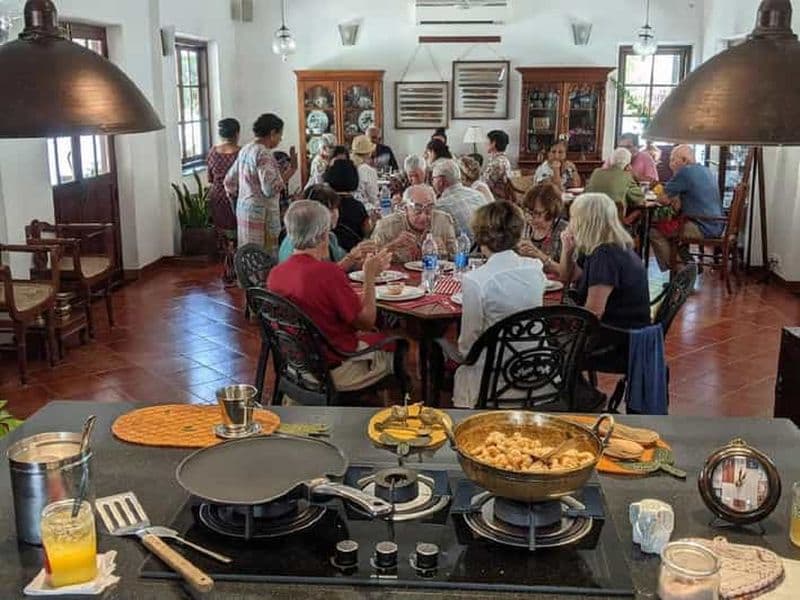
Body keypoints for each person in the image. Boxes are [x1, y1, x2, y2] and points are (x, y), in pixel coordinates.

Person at [267, 201, 395, 392]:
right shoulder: (327, 274)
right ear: (324, 234)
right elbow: (367, 321)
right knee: (394, 342)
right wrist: (369, 276)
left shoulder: (276, 273)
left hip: (295, 363)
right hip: (333, 369)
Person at [453, 201, 546, 407]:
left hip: (495, 381)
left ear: (480, 235)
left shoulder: (477, 280)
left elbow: (468, 345)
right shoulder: (535, 268)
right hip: (536, 372)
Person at [553, 193, 650, 329]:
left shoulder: (605, 255)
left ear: (586, 223)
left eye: (573, 218)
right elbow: (567, 276)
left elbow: (594, 313)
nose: (570, 223)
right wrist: (567, 250)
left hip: (620, 336)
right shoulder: (600, 245)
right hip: (622, 329)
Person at [224, 113, 297, 259]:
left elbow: (229, 181)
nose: (280, 139)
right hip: (262, 216)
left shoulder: (246, 149)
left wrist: (238, 203)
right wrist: (292, 170)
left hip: (244, 211)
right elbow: (270, 189)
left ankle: (248, 281)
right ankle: (264, 282)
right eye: (279, 135)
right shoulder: (263, 153)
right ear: (272, 133)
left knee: (248, 255)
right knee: (264, 257)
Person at [649, 145, 724, 272]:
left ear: (684, 160)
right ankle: (690, 267)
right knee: (674, 234)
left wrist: (674, 175)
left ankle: (680, 271)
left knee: (654, 230)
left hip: (701, 226)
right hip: (716, 224)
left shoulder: (685, 172)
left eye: (673, 160)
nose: (670, 164)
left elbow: (662, 198)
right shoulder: (706, 170)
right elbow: (679, 203)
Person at [278, 184, 376, 271]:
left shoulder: (331, 237)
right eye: (330, 209)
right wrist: (351, 257)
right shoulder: (299, 243)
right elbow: (319, 277)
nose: (335, 214)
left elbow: (344, 264)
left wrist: (368, 262)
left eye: (335, 208)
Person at [371, 184, 457, 264]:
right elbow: (369, 261)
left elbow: (457, 259)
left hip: (435, 276)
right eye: (417, 210)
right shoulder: (386, 226)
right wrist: (392, 246)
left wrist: (444, 251)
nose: (423, 217)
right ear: (405, 208)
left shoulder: (443, 221)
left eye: (429, 210)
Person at [206, 118, 241, 284]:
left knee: (225, 237)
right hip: (236, 197)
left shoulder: (213, 152)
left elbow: (210, 178)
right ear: (237, 134)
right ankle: (236, 270)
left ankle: (228, 270)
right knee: (237, 235)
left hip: (217, 197)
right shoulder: (241, 153)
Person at [431, 158, 489, 241]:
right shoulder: (478, 195)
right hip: (486, 246)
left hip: (463, 251)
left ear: (441, 181)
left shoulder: (440, 207)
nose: (432, 182)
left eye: (433, 179)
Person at [516, 182, 569, 268]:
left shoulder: (564, 231)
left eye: (537, 213)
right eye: (527, 212)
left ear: (551, 210)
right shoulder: (523, 227)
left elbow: (566, 273)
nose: (530, 218)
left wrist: (539, 255)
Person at [324, 159, 372, 252]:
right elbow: (367, 234)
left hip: (328, 253)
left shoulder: (323, 204)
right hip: (354, 255)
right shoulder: (358, 207)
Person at [482, 130, 513, 200]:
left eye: (487, 141)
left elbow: (485, 185)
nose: (484, 143)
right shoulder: (502, 159)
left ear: (493, 143)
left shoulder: (497, 163)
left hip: (495, 200)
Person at [351, 134, 379, 209]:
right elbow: (374, 197)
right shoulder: (368, 170)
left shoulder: (347, 166)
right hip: (365, 209)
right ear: (369, 153)